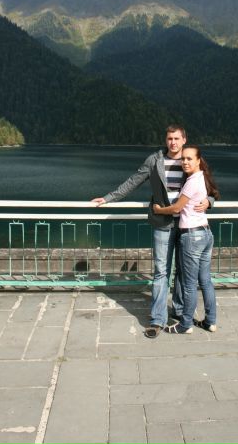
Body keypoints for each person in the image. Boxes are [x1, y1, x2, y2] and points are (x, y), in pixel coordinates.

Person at [91, 125, 214, 338]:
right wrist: (109, 198)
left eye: (176, 138)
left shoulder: (190, 160)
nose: (173, 142)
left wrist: (209, 201)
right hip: (163, 224)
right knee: (161, 272)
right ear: (166, 140)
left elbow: (208, 186)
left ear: (184, 139)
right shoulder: (154, 160)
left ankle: (179, 311)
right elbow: (133, 181)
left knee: (183, 273)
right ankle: (157, 319)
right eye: (169, 138)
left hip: (186, 225)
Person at [153, 145, 220, 334]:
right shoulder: (202, 177)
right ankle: (210, 321)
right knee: (205, 281)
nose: (185, 162)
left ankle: (185, 324)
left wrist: (159, 210)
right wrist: (209, 201)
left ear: (198, 160)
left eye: (189, 158)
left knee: (189, 284)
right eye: (183, 159)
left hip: (192, 236)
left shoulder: (192, 181)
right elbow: (211, 195)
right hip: (206, 233)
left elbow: (177, 208)